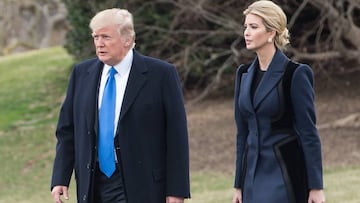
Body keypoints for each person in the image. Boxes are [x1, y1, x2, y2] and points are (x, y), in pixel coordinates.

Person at [50, 8, 190, 203]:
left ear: (127, 39)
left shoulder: (161, 75)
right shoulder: (82, 74)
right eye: (96, 37)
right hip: (93, 184)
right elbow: (67, 132)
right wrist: (60, 178)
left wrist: (176, 190)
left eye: (106, 37)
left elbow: (176, 136)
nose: (99, 43)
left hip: (143, 185)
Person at [232, 1, 325, 203]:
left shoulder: (295, 74)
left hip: (284, 172)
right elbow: (242, 134)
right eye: (246, 26)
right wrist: (238, 184)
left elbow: (309, 133)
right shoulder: (243, 74)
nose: (246, 32)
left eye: (253, 27)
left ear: (271, 33)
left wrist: (316, 187)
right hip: (251, 176)